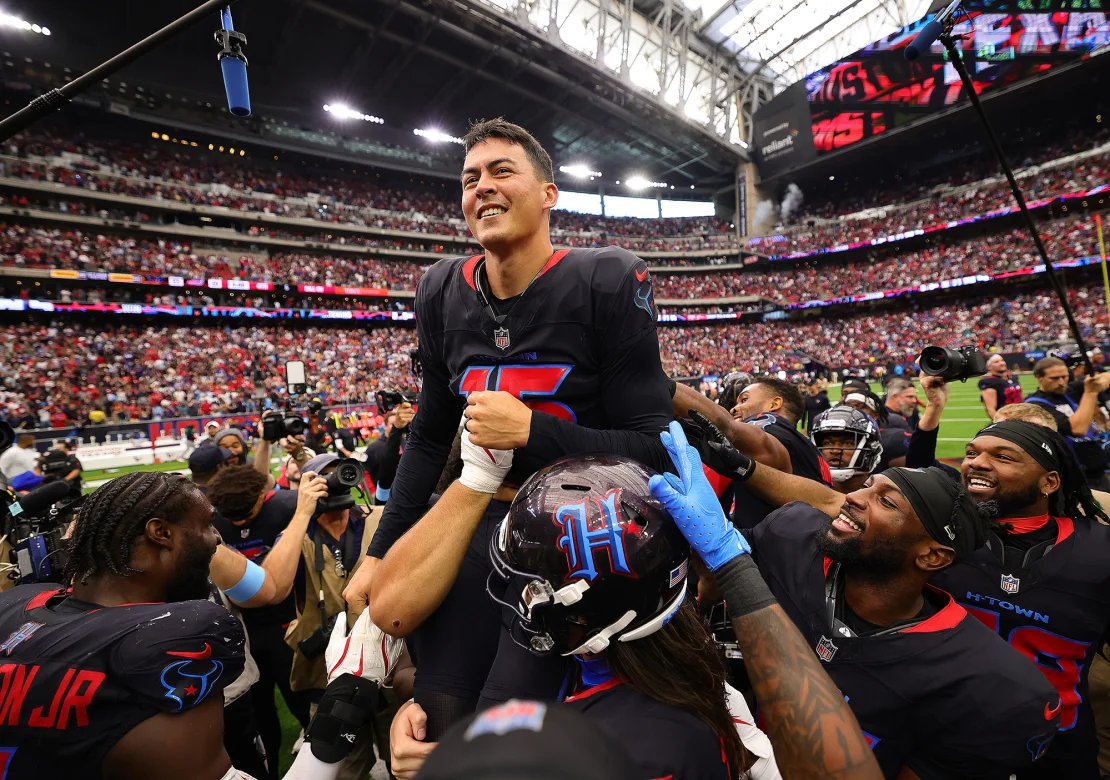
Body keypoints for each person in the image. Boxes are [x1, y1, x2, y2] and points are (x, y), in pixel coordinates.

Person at [346, 118, 674, 738]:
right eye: (470, 178)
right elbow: (429, 436)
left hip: (578, 539)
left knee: (518, 728)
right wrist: (380, 552)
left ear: (549, 194)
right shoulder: (441, 287)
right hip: (472, 522)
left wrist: (534, 430)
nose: (482, 188)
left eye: (502, 171)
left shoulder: (608, 278)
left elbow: (653, 448)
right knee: (443, 715)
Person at [664, 421, 1062, 778]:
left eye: (886, 502)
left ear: (931, 556)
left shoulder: (991, 687)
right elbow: (712, 568)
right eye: (870, 485)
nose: (854, 497)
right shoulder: (794, 534)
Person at [384, 453, 790, 779]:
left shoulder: (637, 744)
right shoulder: (698, 685)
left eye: (534, 586)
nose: (520, 600)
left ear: (593, 610)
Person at [0, 472, 247, 779]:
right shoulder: (172, 638)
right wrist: (322, 740)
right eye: (207, 524)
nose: (217, 536)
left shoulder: (14, 606)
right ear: (161, 533)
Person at [930, 419, 1110, 778]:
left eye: (1003, 456)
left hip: (1058, 749)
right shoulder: (936, 533)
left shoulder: (1099, 550)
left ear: (1049, 482)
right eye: (971, 453)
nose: (976, 463)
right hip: (945, 744)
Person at [262, 454, 399, 780]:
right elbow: (271, 588)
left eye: (339, 473)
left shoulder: (379, 520)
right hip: (325, 672)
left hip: (386, 660)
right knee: (342, 765)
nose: (335, 480)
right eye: (322, 477)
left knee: (402, 757)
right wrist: (301, 512)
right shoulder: (295, 537)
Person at [206, 465, 314, 779]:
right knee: (259, 708)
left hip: (286, 621)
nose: (238, 520)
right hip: (244, 628)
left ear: (262, 497)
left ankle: (313, 745)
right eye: (231, 515)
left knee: (301, 697)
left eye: (245, 512)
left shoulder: (284, 508)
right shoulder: (212, 523)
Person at [671, 376, 828, 528]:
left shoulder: (770, 424)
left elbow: (731, 429)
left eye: (744, 400)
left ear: (774, 404)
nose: (733, 408)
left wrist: (665, 386)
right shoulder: (809, 449)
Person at [1024, 356, 1110, 489]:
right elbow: (1077, 429)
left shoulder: (1068, 391)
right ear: (1038, 377)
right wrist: (1091, 392)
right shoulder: (1034, 405)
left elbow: (1105, 378)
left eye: (1064, 377)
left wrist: (1099, 380)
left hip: (1096, 471)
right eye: (1055, 378)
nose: (1061, 382)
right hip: (1072, 477)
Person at [809, 406, 883, 493]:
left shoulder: (884, 498)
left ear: (869, 450)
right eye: (828, 443)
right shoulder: (808, 494)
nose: (835, 451)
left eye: (848, 443)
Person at [979, 353, 1024, 420]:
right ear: (989, 367)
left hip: (1021, 417)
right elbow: (991, 409)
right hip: (1006, 420)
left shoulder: (1013, 378)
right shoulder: (991, 383)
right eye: (996, 362)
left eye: (1002, 360)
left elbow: (1021, 398)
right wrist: (1001, 425)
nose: (1001, 363)